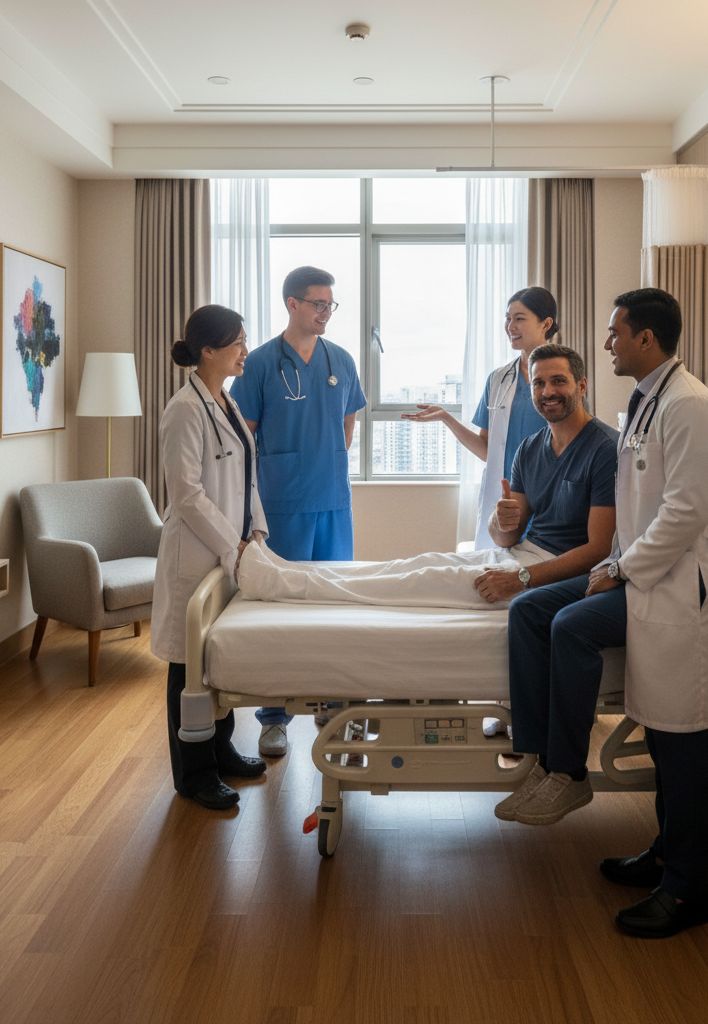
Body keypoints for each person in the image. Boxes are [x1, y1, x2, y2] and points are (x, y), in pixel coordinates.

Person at [498, 288, 708, 940]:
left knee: (679, 737)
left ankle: (687, 888)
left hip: (674, 590)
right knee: (534, 612)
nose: (607, 342)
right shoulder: (646, 401)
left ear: (644, 338)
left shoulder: (691, 404)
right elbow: (642, 504)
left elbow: (686, 512)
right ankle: (650, 841)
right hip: (641, 577)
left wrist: (617, 568)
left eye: (615, 333)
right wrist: (614, 564)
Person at [237, 345, 618, 611]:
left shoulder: (603, 449)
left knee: (412, 582)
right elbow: (508, 536)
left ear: (581, 386)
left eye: (559, 382)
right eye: (538, 384)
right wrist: (501, 522)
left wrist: (520, 578)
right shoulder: (530, 448)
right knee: (410, 566)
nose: (547, 391)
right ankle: (280, 570)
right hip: (512, 555)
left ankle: (275, 584)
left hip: (544, 572)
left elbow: (599, 550)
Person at [230, 266, 366, 757]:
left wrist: (323, 458)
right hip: (281, 502)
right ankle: (274, 718)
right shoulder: (262, 362)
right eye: (317, 304)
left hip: (331, 499)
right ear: (292, 303)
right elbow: (245, 437)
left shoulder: (341, 360)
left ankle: (334, 706)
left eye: (331, 305)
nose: (326, 312)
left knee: (333, 602)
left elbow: (347, 424)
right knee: (281, 608)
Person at [151, 304, 270, 811]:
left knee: (215, 659)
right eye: (238, 341)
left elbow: (245, 475)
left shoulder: (225, 400)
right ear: (209, 349)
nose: (246, 349)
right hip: (197, 555)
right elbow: (186, 493)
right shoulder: (184, 408)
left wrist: (256, 530)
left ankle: (221, 752)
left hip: (230, 551)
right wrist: (232, 544)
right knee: (189, 668)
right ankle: (194, 773)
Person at [401, 286, 556, 549]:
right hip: (505, 496)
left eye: (519, 318)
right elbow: (488, 451)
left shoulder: (565, 378)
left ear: (546, 323)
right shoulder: (498, 379)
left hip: (548, 494)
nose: (510, 326)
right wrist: (447, 419)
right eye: (507, 318)